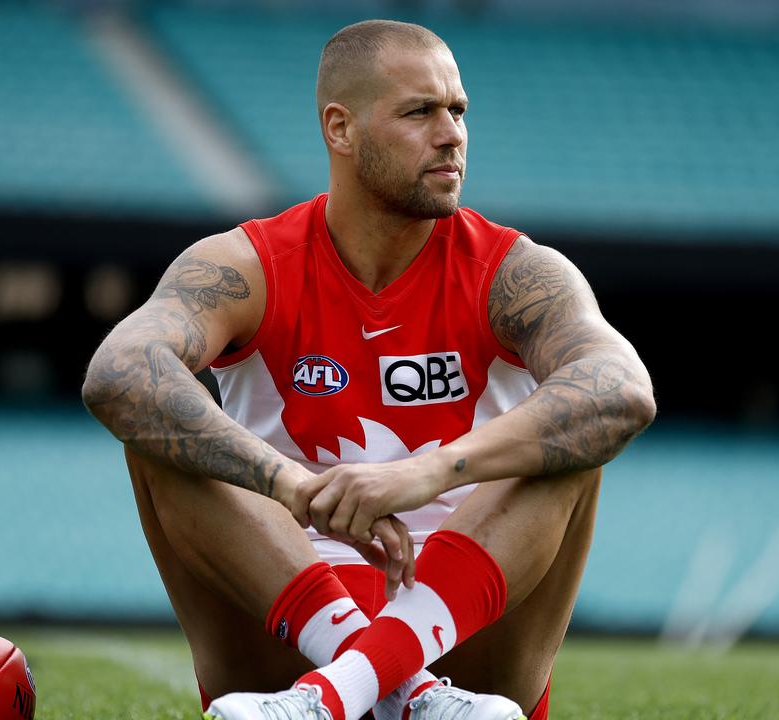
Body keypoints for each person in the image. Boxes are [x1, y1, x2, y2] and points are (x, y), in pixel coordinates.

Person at [82, 18, 654, 720]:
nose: (452, 134)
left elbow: (624, 390)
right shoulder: (248, 265)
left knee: (576, 431)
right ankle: (386, 687)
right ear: (341, 129)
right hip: (287, 632)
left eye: (459, 111)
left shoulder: (514, 271)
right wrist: (290, 483)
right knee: (158, 422)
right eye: (420, 112)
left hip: (468, 641)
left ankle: (346, 692)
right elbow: (117, 374)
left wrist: (428, 471)